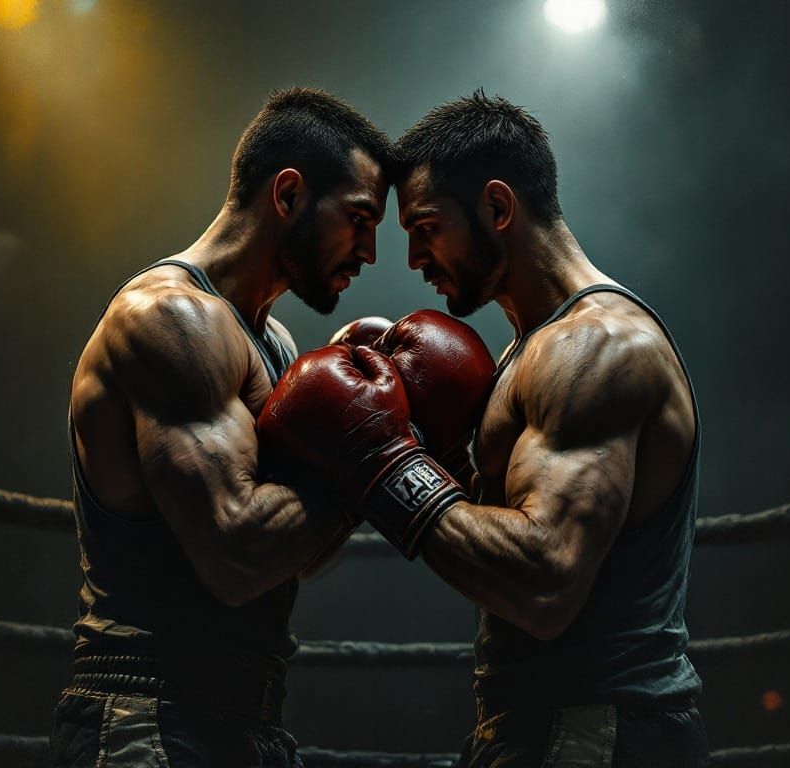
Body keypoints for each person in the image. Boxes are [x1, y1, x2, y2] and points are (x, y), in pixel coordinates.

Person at [267, 90, 708, 766]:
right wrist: (432, 459)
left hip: (598, 727)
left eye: (426, 227)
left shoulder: (597, 348)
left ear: (498, 208)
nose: (414, 258)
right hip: (535, 724)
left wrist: (385, 459)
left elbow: (546, 582)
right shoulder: (527, 352)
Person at [49, 87, 391, 768]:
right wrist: (369, 458)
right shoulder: (170, 320)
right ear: (288, 195)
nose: (370, 251)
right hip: (150, 716)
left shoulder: (277, 344)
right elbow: (236, 557)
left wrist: (375, 461)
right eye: (358, 219)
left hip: (247, 719)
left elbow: (299, 554)